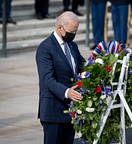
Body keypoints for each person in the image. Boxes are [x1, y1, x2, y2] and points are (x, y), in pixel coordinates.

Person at [35, 11, 85, 144]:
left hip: (70, 111)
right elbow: (47, 79)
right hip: (53, 112)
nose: (73, 35)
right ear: (59, 28)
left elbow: (83, 66)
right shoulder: (45, 48)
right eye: (71, 31)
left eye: (75, 32)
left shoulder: (72, 46)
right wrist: (67, 92)